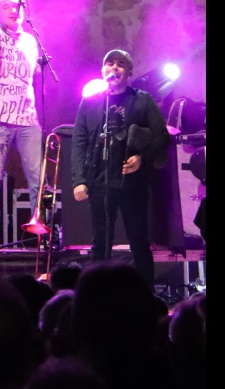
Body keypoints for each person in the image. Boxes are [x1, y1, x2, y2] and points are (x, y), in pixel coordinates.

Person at [70, 49, 170, 282]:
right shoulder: (90, 101)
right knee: (101, 242)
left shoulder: (142, 99)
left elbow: (162, 136)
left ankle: (145, 294)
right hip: (99, 180)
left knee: (139, 242)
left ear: (129, 72)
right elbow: (79, 142)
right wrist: (79, 180)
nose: (114, 67)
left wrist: (142, 158)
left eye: (121, 64)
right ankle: (97, 294)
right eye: (110, 63)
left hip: (132, 182)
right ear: (103, 70)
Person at [0, 0, 44, 249]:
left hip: (26, 116)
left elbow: (34, 73)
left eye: (17, 6)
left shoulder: (30, 41)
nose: (13, 10)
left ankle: (41, 228)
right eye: (6, 7)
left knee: (37, 177)